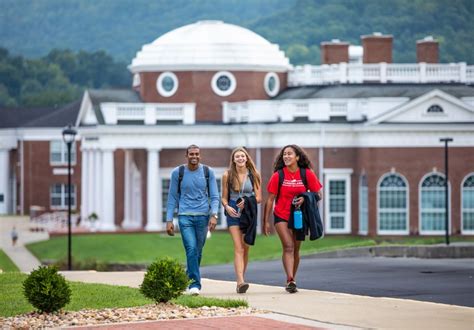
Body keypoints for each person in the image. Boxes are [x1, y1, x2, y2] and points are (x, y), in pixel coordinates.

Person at [263, 145, 322, 293]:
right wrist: (265, 221)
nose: (286, 156)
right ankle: (289, 278)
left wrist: (304, 197)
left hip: (299, 216)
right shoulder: (278, 175)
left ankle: (292, 281)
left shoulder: (306, 174)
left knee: (296, 249)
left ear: (297, 157)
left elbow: (318, 194)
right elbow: (270, 199)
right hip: (281, 215)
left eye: (290, 154)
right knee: (288, 246)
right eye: (284, 154)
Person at [165, 145, 220, 296]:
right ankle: (194, 284)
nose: (194, 156)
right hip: (185, 216)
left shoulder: (208, 172)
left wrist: (214, 215)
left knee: (198, 251)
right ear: (186, 155)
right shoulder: (178, 173)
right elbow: (172, 198)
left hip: (203, 216)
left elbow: (215, 196)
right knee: (191, 248)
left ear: (200, 155)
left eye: (196, 154)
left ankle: (186, 277)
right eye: (191, 154)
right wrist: (169, 219)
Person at [221, 147, 262, 294]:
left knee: (246, 248)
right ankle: (240, 281)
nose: (240, 158)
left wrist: (247, 201)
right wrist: (226, 207)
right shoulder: (227, 175)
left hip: (248, 211)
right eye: (237, 156)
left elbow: (258, 197)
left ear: (246, 158)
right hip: (233, 210)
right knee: (238, 247)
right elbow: (224, 197)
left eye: (242, 156)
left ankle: (241, 280)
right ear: (233, 159)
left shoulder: (254, 174)